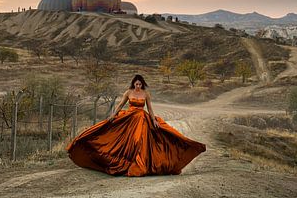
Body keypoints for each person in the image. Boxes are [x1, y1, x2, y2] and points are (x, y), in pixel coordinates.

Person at [67, 74, 205, 176]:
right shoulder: (128, 92)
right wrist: (114, 115)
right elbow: (120, 105)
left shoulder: (146, 94)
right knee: (121, 138)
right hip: (129, 117)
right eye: (136, 84)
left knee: (140, 140)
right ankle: (124, 161)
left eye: (139, 84)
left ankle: (138, 165)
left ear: (142, 84)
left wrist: (154, 120)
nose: (137, 86)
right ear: (133, 84)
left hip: (142, 118)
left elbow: (150, 109)